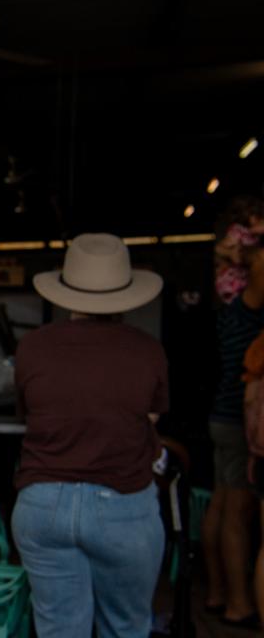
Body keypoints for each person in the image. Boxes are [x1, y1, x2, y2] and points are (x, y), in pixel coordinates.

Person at [12, 233, 167, 638]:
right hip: (123, 504)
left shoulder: (33, 346)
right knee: (126, 628)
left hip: (42, 503)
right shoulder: (148, 350)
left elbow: (31, 413)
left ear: (66, 289)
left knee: (60, 629)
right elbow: (148, 419)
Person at [204, 201, 264, 627]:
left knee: (223, 506)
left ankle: (218, 592)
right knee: (239, 512)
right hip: (245, 417)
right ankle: (240, 602)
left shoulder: (227, 291)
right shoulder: (249, 291)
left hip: (225, 411)